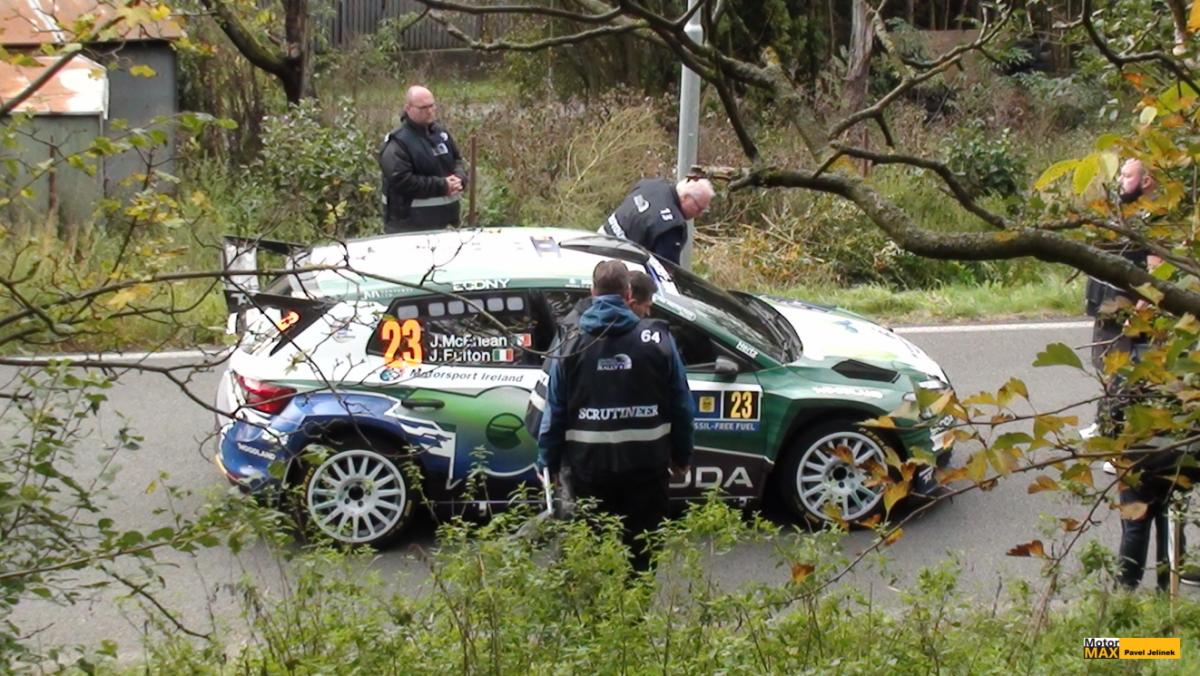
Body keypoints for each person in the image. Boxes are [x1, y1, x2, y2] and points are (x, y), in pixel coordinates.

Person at [537, 261, 693, 572]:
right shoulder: (658, 341)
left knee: (591, 554)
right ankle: (635, 603)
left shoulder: (571, 342)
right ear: (627, 293)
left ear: (592, 291)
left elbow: (554, 413)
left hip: (588, 471)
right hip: (646, 470)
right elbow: (682, 405)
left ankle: (599, 602)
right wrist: (682, 456)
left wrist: (548, 463)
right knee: (642, 554)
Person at [377, 85, 467, 233]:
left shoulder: (441, 135)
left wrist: (459, 178)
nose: (429, 111)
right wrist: (442, 185)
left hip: (447, 223)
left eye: (432, 106)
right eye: (423, 108)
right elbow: (401, 180)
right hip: (410, 227)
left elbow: (457, 161)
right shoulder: (398, 142)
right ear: (408, 108)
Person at [601, 177, 714, 265]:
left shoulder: (651, 184)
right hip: (619, 263)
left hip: (600, 239)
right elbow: (666, 269)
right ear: (686, 197)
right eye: (699, 208)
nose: (699, 214)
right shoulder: (671, 226)